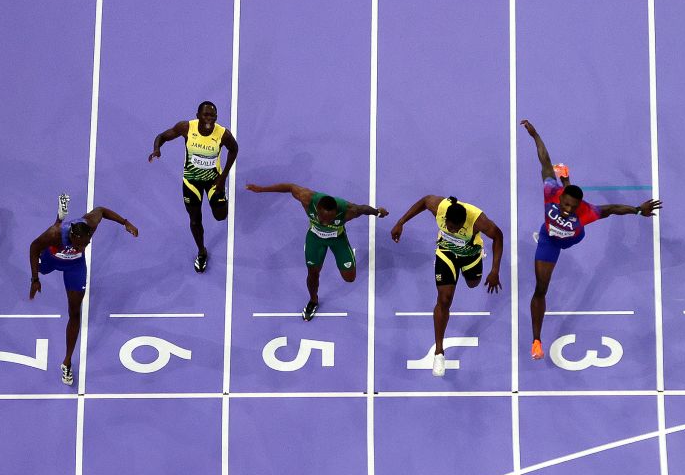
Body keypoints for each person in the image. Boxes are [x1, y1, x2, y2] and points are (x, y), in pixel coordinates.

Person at [521, 119, 661, 360]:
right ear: (560, 196)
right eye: (565, 204)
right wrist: (535, 135)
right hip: (550, 241)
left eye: (572, 207)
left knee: (586, 222)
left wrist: (638, 210)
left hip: (573, 238)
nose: (567, 210)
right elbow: (544, 160)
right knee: (541, 288)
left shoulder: (586, 211)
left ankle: (566, 177)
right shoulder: (550, 192)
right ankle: (536, 340)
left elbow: (613, 208)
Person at [29, 194, 138, 386]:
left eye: (87, 243)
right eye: (80, 244)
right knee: (42, 267)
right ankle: (59, 219)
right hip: (51, 259)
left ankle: (67, 363)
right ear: (72, 236)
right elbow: (33, 246)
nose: (84, 246)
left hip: (74, 267)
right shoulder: (54, 235)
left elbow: (102, 210)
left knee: (74, 314)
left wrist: (125, 222)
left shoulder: (89, 225)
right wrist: (35, 279)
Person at [390, 193, 503, 377]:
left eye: (455, 228)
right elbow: (425, 201)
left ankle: (474, 264)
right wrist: (401, 222)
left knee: (473, 283)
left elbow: (498, 236)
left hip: (471, 255)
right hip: (446, 253)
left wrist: (495, 270)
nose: (451, 229)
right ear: (445, 218)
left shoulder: (477, 220)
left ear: (464, 222)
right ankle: (439, 353)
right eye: (448, 226)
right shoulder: (440, 208)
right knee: (444, 299)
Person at [244, 182, 388, 319]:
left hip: (337, 239)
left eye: (330, 219)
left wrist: (377, 212)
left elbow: (363, 209)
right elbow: (289, 187)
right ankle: (313, 300)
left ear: (336, 212)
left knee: (349, 278)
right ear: (317, 208)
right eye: (322, 218)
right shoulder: (307, 198)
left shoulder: (348, 210)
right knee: (313, 273)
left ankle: (345, 256)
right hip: (315, 239)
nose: (325, 222)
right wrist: (262, 189)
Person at [148, 101, 239, 273]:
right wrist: (157, 149)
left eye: (212, 115)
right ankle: (201, 252)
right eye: (205, 115)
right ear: (197, 115)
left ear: (216, 117)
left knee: (221, 216)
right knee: (195, 219)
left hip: (214, 181)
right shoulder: (186, 128)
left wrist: (223, 177)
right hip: (191, 182)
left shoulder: (223, 134)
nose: (209, 118)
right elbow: (162, 136)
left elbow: (234, 149)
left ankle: (220, 196)